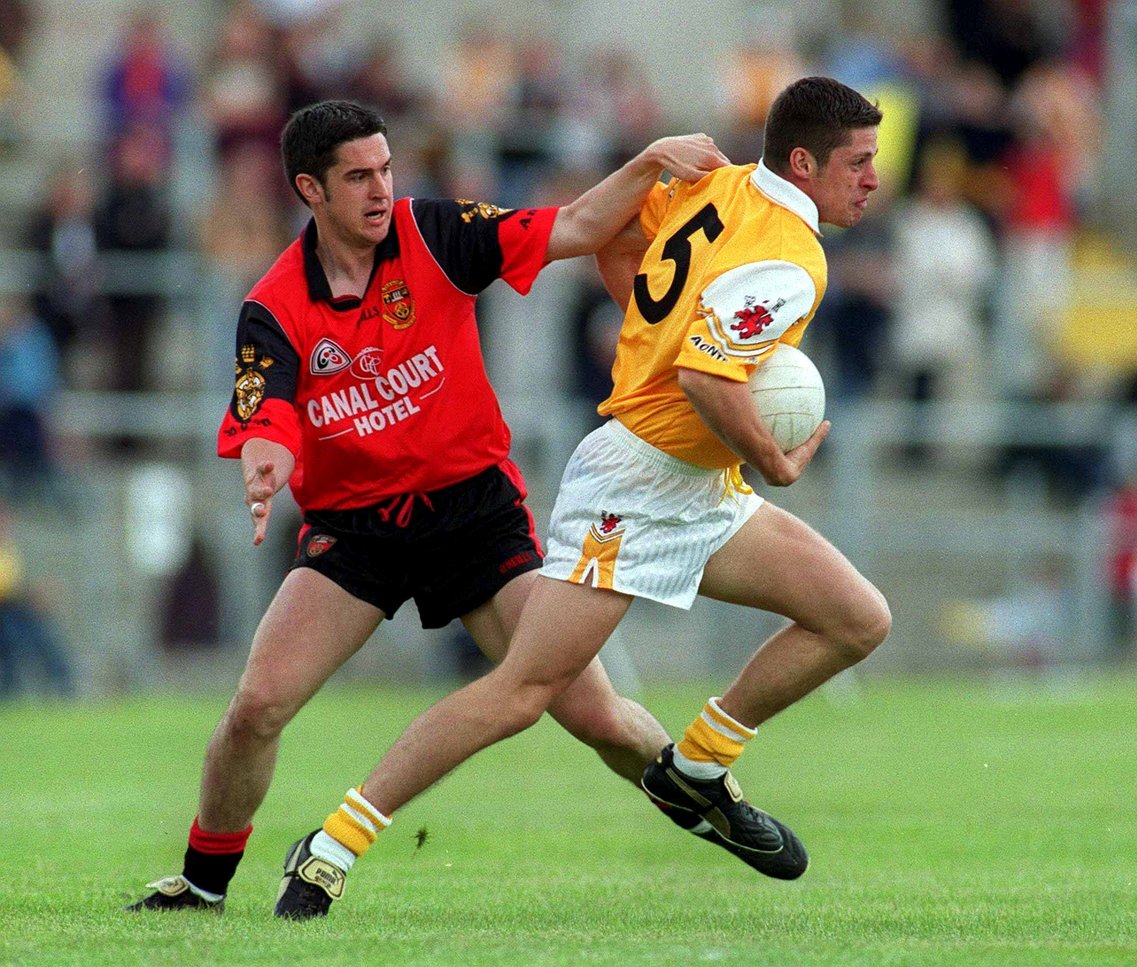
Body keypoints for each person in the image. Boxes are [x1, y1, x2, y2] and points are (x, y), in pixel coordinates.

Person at [278, 77, 892, 919]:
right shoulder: (794, 257)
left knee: (857, 617)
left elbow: (615, 247)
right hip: (636, 484)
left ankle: (699, 766)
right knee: (524, 692)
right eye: (858, 162)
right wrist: (774, 461)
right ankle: (332, 844)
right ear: (803, 161)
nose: (872, 179)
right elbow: (707, 375)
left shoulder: (717, 186)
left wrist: (650, 334)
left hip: (700, 481)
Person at [124, 99, 727, 915]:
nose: (381, 189)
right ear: (310, 188)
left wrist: (650, 158)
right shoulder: (274, 305)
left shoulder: (438, 234)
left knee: (597, 715)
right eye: (358, 177)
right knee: (257, 705)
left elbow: (581, 224)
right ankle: (202, 883)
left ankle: (720, 804)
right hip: (356, 532)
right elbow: (264, 416)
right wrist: (265, 464)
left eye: (386, 169)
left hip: (474, 516)